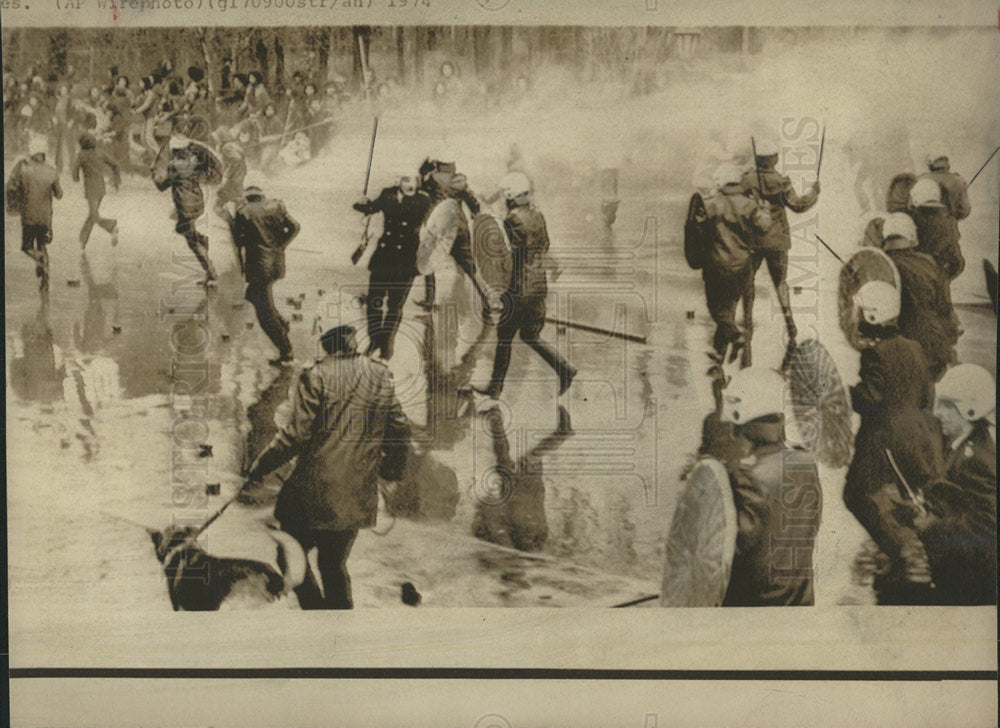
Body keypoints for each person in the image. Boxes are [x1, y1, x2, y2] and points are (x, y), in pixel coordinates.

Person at [244, 325, 411, 609]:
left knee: (290, 555)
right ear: (354, 343)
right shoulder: (379, 374)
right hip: (356, 496)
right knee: (333, 565)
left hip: (312, 493)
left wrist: (259, 467)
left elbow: (295, 436)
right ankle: (337, 631)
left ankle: (315, 614)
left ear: (326, 345)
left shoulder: (316, 375)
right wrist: (390, 472)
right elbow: (400, 429)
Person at [843, 280, 944, 604]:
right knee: (900, 498)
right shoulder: (915, 348)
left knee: (857, 493)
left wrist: (848, 393)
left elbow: (869, 398)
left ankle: (905, 553)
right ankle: (906, 556)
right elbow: (928, 395)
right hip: (918, 436)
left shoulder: (875, 354)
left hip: (881, 441)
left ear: (871, 315)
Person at [711, 366, 822, 606]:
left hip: (753, 611)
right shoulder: (806, 464)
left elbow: (729, 551)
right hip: (800, 603)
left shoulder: (745, 476)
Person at [477, 172, 576, 399]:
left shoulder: (511, 220)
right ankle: (565, 369)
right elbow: (546, 245)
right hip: (538, 286)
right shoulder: (538, 214)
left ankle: (495, 388)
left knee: (504, 336)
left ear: (510, 196)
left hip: (518, 289)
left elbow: (508, 257)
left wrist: (499, 288)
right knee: (530, 335)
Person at [916, 364, 996, 605]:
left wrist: (933, 527)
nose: (937, 412)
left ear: (970, 410)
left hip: (972, 583)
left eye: (947, 406)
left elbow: (988, 524)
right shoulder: (965, 445)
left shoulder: (979, 458)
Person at [741, 138, 820, 347]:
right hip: (777, 242)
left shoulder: (746, 179)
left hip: (753, 241)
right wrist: (814, 193)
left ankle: (747, 321)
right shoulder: (781, 182)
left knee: (748, 282)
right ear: (774, 159)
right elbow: (798, 205)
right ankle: (790, 323)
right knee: (781, 284)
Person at [697, 164, 771, 371]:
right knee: (729, 308)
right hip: (743, 267)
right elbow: (764, 228)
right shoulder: (750, 205)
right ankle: (718, 355)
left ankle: (735, 336)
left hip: (717, 266)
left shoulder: (711, 204)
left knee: (717, 310)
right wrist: (764, 208)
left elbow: (697, 232)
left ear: (720, 181)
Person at [353, 175, 431, 360]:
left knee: (395, 305)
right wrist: (363, 204)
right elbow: (371, 208)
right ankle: (374, 339)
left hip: (406, 260)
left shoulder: (422, 200)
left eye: (413, 180)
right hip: (384, 257)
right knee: (374, 301)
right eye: (405, 180)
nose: (410, 184)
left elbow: (423, 214)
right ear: (398, 182)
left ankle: (387, 346)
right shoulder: (388, 195)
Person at [879, 212, 959, 381]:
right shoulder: (929, 262)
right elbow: (945, 309)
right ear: (911, 236)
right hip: (935, 351)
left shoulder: (881, 266)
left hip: (903, 356)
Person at [231, 174, 300, 366]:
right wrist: (281, 245)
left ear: (247, 194)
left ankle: (286, 352)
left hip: (258, 265)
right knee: (252, 295)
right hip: (276, 263)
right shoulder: (277, 206)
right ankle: (282, 324)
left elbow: (238, 240)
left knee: (264, 314)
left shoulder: (243, 211)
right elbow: (295, 226)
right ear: (262, 193)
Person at [152, 132, 221, 285]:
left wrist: (154, 173)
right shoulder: (195, 159)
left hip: (185, 205)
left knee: (191, 241)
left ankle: (211, 273)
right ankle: (203, 241)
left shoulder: (174, 166)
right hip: (198, 201)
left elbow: (162, 186)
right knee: (183, 230)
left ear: (175, 150)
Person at [6, 135, 63, 291]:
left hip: (29, 217)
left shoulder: (24, 169)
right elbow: (59, 194)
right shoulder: (51, 171)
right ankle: (45, 280)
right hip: (45, 218)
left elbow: (12, 188)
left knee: (27, 247)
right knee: (43, 245)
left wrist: (13, 206)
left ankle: (38, 259)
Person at [908, 171, 969, 281]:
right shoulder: (950, 222)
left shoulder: (912, 220)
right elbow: (958, 262)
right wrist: (942, 279)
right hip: (941, 283)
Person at [72, 132, 120, 249]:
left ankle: (111, 226)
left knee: (94, 215)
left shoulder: (82, 155)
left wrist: (76, 178)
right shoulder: (100, 152)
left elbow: (75, 171)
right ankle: (83, 240)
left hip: (91, 189)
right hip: (101, 189)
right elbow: (115, 164)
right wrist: (116, 180)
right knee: (92, 214)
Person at [212, 127, 247, 219]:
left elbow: (236, 159)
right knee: (239, 199)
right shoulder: (233, 144)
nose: (215, 140)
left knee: (219, 202)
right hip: (238, 176)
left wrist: (226, 175)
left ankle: (231, 221)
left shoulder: (226, 147)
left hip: (233, 178)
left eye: (217, 137)